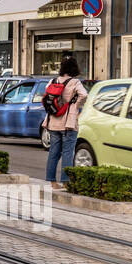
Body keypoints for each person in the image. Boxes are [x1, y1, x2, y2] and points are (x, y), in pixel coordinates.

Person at [45, 56, 88, 191]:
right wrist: (75, 105)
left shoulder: (53, 81)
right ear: (74, 68)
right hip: (68, 123)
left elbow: (47, 93)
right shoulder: (75, 82)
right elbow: (84, 95)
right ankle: (66, 182)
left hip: (53, 122)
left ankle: (52, 182)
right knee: (68, 152)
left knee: (53, 152)